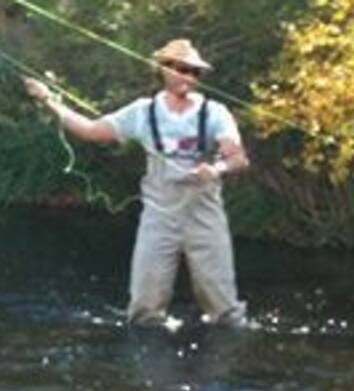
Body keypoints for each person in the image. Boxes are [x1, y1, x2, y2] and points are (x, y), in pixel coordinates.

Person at [23, 39, 250, 326]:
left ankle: (224, 365)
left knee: (224, 311)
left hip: (204, 217)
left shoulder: (215, 113)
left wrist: (216, 169)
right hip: (158, 218)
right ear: (163, 70)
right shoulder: (142, 112)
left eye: (195, 72)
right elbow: (91, 130)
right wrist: (49, 101)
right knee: (144, 309)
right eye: (183, 69)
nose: (189, 77)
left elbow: (238, 158)